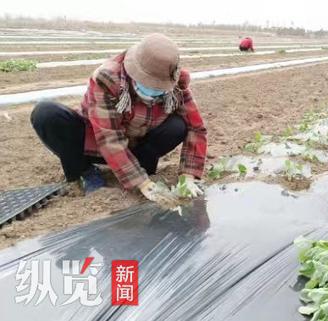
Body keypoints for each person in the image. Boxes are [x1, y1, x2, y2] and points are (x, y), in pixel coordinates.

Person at [31, 33, 208, 207]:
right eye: (148, 83)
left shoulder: (176, 83)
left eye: (159, 86)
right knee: (46, 113)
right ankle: (85, 171)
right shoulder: (108, 78)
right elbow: (109, 137)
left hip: (135, 146)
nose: (154, 90)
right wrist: (142, 184)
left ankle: (141, 167)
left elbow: (196, 128)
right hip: (95, 143)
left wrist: (188, 176)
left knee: (178, 125)